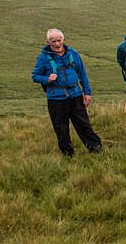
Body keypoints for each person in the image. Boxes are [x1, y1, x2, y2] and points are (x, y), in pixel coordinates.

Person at [31, 28, 103, 156]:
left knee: (83, 124)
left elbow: (82, 73)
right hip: (56, 99)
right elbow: (35, 76)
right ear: (48, 42)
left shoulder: (72, 53)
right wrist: (47, 79)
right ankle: (68, 154)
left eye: (59, 40)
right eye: (53, 41)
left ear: (63, 40)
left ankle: (96, 149)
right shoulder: (43, 58)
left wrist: (87, 92)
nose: (57, 44)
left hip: (75, 95)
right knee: (61, 128)